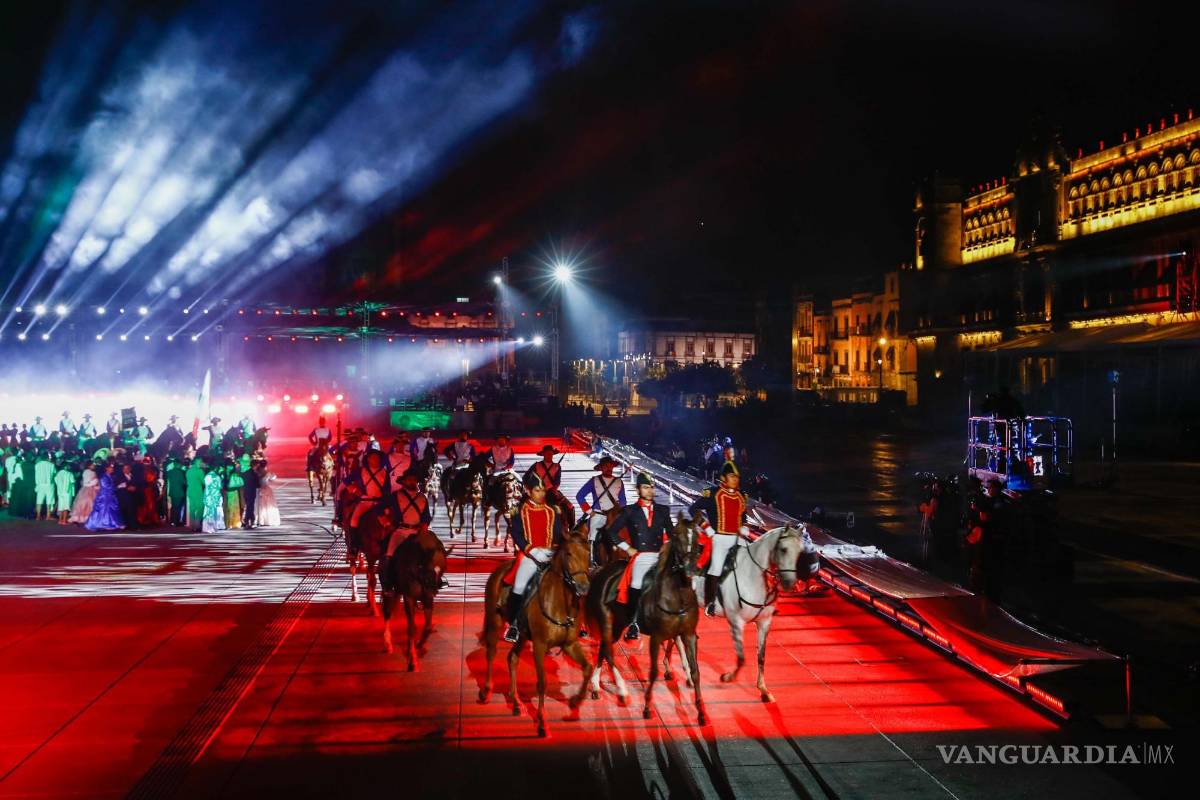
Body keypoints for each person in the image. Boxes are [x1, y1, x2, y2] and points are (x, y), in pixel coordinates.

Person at [607, 472, 673, 640]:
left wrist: (667, 545)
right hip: (641, 556)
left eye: (651, 487)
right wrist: (627, 548)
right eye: (645, 487)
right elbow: (612, 531)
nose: (649, 490)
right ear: (638, 490)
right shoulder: (630, 511)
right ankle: (634, 623)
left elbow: (672, 534)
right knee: (636, 583)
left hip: (660, 555)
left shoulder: (663, 510)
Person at [503, 472, 565, 643]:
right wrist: (531, 550)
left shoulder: (553, 510)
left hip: (550, 553)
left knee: (570, 580)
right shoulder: (519, 511)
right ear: (528, 491)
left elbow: (558, 533)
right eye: (537, 490)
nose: (542, 494)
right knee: (520, 586)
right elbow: (516, 534)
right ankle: (514, 625)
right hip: (529, 554)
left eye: (543, 490)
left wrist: (554, 550)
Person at [689, 460, 750, 616]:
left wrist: (745, 525)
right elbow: (693, 509)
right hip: (719, 538)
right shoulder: (713, 494)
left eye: (737, 476)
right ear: (723, 477)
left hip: (737, 538)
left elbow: (743, 514)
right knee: (715, 569)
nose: (735, 479)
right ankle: (710, 602)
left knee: (752, 562)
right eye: (731, 476)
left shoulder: (741, 495)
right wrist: (706, 527)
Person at [379, 467, 433, 592]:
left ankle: (431, 582)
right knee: (389, 555)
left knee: (431, 555)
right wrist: (385, 522)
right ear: (403, 482)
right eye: (409, 480)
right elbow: (380, 508)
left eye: (414, 480)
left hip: (417, 532)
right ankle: (387, 585)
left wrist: (424, 529)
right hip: (400, 531)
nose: (412, 482)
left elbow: (426, 517)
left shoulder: (422, 498)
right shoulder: (395, 496)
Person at [575, 455, 626, 558]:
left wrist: (619, 514)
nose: (609, 468)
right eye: (606, 466)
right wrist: (589, 511)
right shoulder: (594, 480)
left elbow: (623, 502)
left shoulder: (619, 482)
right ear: (601, 468)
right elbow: (580, 496)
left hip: (615, 516)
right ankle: (592, 560)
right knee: (593, 536)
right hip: (598, 514)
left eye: (611, 466)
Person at [347, 450, 391, 537]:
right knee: (354, 520)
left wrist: (385, 501)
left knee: (389, 521)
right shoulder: (360, 471)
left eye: (377, 458)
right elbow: (347, 481)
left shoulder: (384, 472)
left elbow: (387, 489)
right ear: (368, 459)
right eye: (373, 458)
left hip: (380, 502)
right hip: (365, 502)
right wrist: (355, 491)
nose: (376, 459)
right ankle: (354, 545)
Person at [524, 445, 568, 510]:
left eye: (550, 453)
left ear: (553, 454)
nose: (549, 455)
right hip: (537, 491)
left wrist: (554, 489)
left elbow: (557, 481)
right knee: (522, 504)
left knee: (567, 506)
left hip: (550, 491)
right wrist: (527, 488)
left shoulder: (557, 466)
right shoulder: (537, 465)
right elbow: (525, 477)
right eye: (547, 453)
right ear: (543, 454)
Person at [86, 464, 124, 531]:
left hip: (109, 495)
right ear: (107, 468)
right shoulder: (104, 477)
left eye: (112, 467)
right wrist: (119, 486)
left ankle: (109, 523)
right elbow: (107, 487)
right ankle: (104, 524)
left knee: (109, 510)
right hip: (105, 496)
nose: (112, 469)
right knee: (105, 510)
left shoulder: (110, 476)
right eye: (110, 468)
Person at [254, 462, 281, 527]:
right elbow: (273, 477)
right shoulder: (267, 473)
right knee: (268, 505)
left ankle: (259, 520)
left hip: (259, 490)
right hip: (266, 489)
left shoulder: (257, 472)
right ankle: (267, 519)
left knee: (260, 505)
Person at [164, 454, 187, 526]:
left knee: (173, 507)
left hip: (172, 491)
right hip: (179, 492)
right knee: (178, 507)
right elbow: (183, 482)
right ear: (178, 464)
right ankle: (176, 521)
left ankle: (172, 521)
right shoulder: (179, 472)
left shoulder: (169, 472)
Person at [115, 462, 140, 530]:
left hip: (133, 496)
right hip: (124, 497)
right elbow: (116, 487)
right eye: (125, 469)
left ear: (130, 469)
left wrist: (135, 488)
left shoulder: (133, 476)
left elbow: (138, 484)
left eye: (128, 468)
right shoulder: (119, 476)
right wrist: (126, 488)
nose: (126, 470)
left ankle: (133, 526)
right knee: (125, 511)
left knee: (132, 511)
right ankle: (126, 525)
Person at [34, 449, 56, 521]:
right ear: (47, 457)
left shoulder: (37, 465)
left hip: (40, 484)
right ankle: (48, 516)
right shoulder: (51, 465)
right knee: (49, 501)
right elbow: (54, 474)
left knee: (39, 500)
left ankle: (38, 516)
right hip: (49, 484)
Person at [185, 457, 206, 530]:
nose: (201, 463)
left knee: (192, 508)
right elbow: (204, 482)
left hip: (190, 491)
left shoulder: (188, 471)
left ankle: (192, 525)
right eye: (200, 462)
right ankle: (197, 525)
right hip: (197, 491)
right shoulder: (199, 471)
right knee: (200, 508)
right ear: (196, 462)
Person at [202, 464, 224, 533]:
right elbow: (220, 487)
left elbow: (205, 485)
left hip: (208, 496)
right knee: (214, 512)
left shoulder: (206, 476)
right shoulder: (217, 477)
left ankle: (206, 527)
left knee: (207, 511)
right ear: (215, 469)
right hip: (215, 496)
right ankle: (213, 527)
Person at [54, 459, 76, 525]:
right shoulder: (69, 474)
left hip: (60, 492)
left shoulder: (58, 473)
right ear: (65, 466)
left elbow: (56, 481)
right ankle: (64, 520)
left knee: (61, 506)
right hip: (67, 492)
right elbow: (73, 481)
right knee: (66, 507)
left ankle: (60, 520)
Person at [241, 456, 259, 529]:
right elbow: (258, 485)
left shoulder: (245, 473)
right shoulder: (254, 474)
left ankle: (249, 521)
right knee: (250, 507)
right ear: (254, 466)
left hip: (245, 491)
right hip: (251, 492)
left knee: (248, 507)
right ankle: (248, 521)